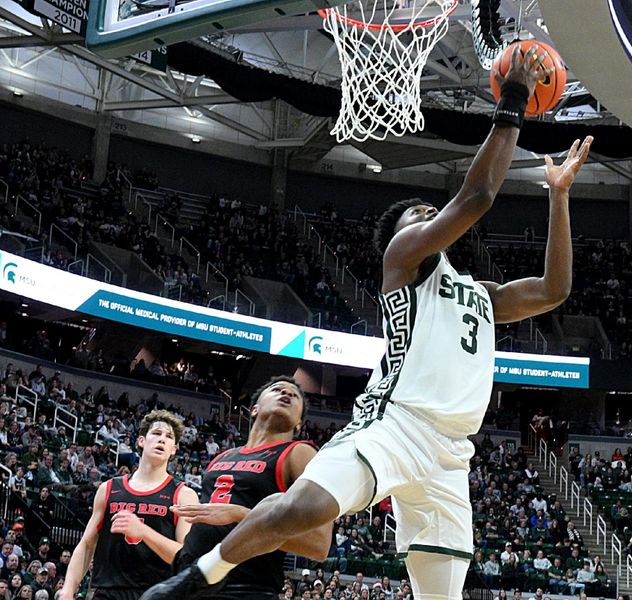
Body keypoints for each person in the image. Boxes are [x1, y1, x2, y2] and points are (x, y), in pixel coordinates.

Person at [141, 45, 592, 600]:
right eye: (417, 212)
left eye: (429, 210)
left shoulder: (481, 294)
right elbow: (476, 196)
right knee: (303, 508)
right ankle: (200, 573)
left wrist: (560, 196)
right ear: (403, 232)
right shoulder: (403, 260)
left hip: (452, 454)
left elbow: (554, 290)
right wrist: (515, 100)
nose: (426, 213)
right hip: (397, 420)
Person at [154, 377, 332, 600]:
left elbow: (319, 544)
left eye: (294, 395)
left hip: (244, 586)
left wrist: (242, 516)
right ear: (254, 409)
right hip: (189, 578)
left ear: (299, 424)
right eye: (277, 389)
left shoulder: (299, 453)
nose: (286, 394)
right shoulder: (222, 456)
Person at [59, 410, 199, 600]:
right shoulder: (108, 488)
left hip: (156, 594)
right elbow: (86, 545)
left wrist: (143, 531)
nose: (162, 440)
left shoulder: (183, 495)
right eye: (156, 433)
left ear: (174, 449)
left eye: (169, 437)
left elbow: (185, 559)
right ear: (141, 441)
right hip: (107, 592)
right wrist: (68, 589)